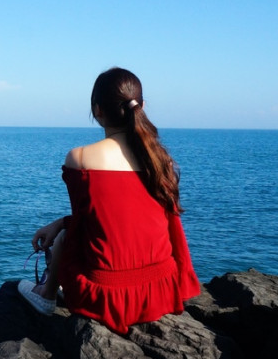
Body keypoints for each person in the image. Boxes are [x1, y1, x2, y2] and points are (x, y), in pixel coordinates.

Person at [18, 67, 200, 334]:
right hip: (161, 290)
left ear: (97, 110)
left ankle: (46, 294)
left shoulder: (80, 159)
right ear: (141, 106)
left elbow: (84, 226)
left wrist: (61, 228)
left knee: (65, 238)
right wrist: (59, 222)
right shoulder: (161, 160)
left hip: (106, 297)